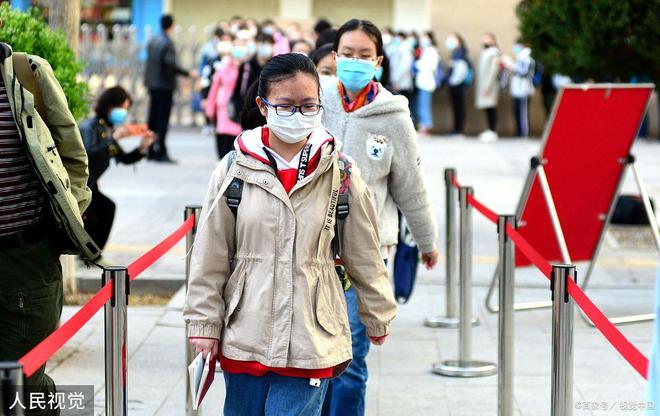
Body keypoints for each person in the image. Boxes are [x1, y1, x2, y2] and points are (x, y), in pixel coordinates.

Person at [184, 52, 397, 416]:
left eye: (308, 105)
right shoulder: (236, 167)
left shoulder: (339, 170)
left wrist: (377, 312)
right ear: (263, 107)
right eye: (286, 106)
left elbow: (364, 250)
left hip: (311, 337)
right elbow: (211, 253)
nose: (298, 115)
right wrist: (204, 323)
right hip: (245, 332)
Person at [320, 19, 439, 416]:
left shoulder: (393, 118)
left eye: (364, 56)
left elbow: (411, 187)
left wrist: (427, 241)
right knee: (312, 358)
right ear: (335, 57)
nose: (355, 62)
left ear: (379, 61)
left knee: (351, 359)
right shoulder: (315, 101)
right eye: (347, 54)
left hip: (365, 255)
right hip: (311, 249)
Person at [0, 37, 100, 415]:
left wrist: (70, 212)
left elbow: (72, 153)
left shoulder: (28, 73)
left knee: (23, 379)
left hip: (26, 260)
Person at [79, 87, 155, 253]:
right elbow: (89, 155)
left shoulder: (106, 128)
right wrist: (114, 138)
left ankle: (94, 254)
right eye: (122, 108)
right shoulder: (90, 127)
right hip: (80, 187)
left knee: (108, 208)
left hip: (91, 187)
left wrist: (142, 147)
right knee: (93, 219)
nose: (124, 113)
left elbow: (123, 157)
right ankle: (89, 254)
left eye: (126, 109)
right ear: (110, 106)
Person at [144, 14, 195, 163]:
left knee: (152, 119)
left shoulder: (153, 40)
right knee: (162, 120)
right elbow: (170, 65)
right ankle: (161, 152)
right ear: (171, 26)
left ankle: (150, 150)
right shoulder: (167, 43)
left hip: (152, 85)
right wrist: (187, 73)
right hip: (164, 86)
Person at [206, 36, 248, 159]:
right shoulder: (224, 67)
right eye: (236, 45)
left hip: (240, 109)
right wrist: (210, 109)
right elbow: (214, 88)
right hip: (224, 108)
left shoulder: (248, 67)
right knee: (223, 144)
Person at [475, 32, 501, 142]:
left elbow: (494, 70)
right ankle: (489, 129)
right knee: (486, 107)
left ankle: (492, 130)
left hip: (489, 85)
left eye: (487, 39)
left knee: (491, 107)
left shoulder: (494, 53)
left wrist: (488, 85)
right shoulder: (485, 53)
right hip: (483, 85)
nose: (484, 41)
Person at [445, 32, 471, 136]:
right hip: (454, 85)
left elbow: (461, 70)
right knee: (456, 107)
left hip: (457, 85)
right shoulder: (455, 53)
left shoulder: (460, 54)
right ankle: (456, 128)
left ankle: (459, 129)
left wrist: (452, 82)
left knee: (459, 107)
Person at [414, 31, 440, 136]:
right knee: (421, 105)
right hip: (423, 82)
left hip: (427, 82)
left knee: (424, 105)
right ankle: (423, 127)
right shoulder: (426, 50)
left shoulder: (431, 50)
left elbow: (429, 66)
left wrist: (418, 64)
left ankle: (425, 127)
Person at [508, 40, 535, 138]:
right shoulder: (519, 59)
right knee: (516, 111)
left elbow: (525, 73)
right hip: (517, 89)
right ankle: (518, 131)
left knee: (523, 112)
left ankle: (524, 133)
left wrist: (512, 66)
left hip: (524, 89)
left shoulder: (527, 59)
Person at [389, 31, 416, 120]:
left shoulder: (405, 48)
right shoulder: (398, 48)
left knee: (404, 108)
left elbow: (404, 66)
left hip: (402, 83)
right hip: (399, 82)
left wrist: (396, 80)